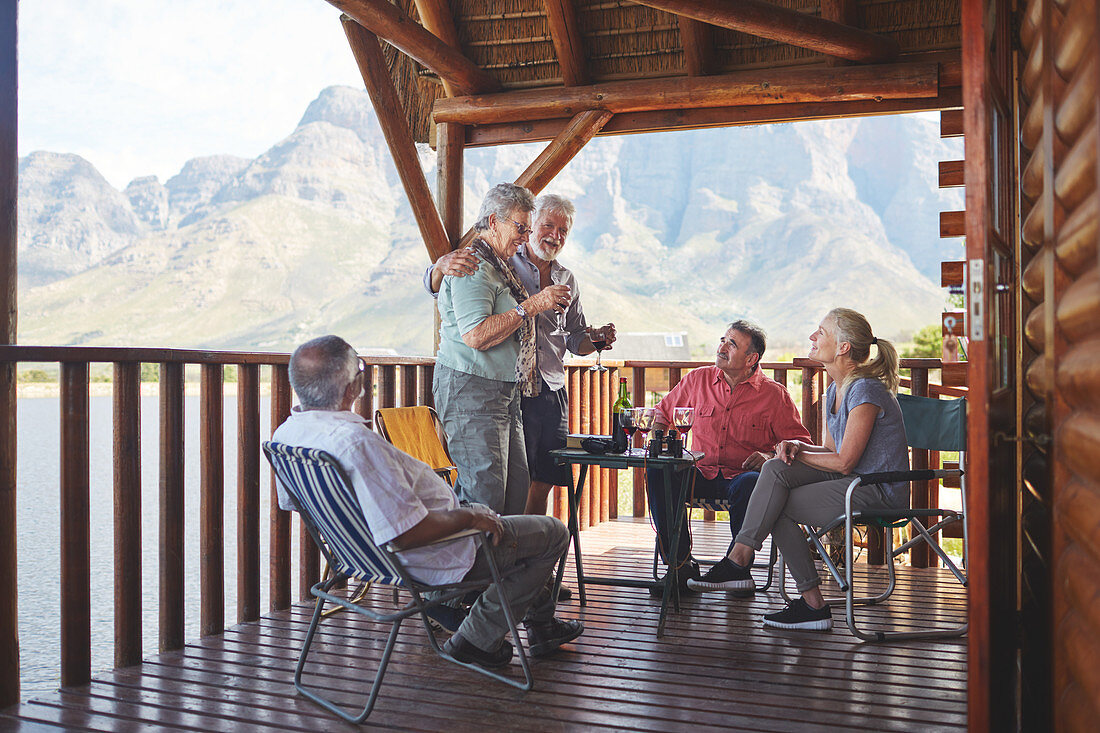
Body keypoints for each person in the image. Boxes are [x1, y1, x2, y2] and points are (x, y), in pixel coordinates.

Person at [272, 335, 584, 667]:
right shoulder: (355, 445)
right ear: (352, 387)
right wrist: (472, 518)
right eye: (360, 368)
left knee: (521, 539)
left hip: (368, 556)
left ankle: (542, 625)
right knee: (552, 534)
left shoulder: (288, 436)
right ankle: (477, 639)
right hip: (437, 555)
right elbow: (408, 533)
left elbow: (296, 505)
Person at [689, 309, 910, 632]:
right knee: (776, 469)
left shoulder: (866, 390)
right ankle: (745, 563)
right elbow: (831, 452)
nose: (812, 337)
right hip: (851, 483)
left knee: (775, 504)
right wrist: (795, 447)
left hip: (878, 491)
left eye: (820, 333)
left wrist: (799, 452)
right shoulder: (835, 390)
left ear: (843, 347)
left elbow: (845, 461)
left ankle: (804, 599)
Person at [426, 193, 616, 517]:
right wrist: (436, 268)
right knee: (485, 492)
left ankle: (513, 563)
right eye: (524, 227)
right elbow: (474, 333)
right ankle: (477, 566)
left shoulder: (522, 269)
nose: (528, 236)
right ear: (493, 222)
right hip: (475, 387)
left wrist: (593, 340)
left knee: (520, 485)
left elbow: (573, 335)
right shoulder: (481, 263)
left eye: (562, 230)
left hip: (516, 389)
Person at [646, 320, 811, 596]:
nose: (722, 347)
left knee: (751, 483)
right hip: (698, 472)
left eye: (731, 344)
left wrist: (770, 454)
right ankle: (679, 567)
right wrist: (658, 441)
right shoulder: (697, 379)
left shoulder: (774, 395)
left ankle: (737, 569)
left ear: (751, 359)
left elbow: (800, 443)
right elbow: (662, 413)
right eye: (723, 340)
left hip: (741, 478)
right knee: (659, 471)